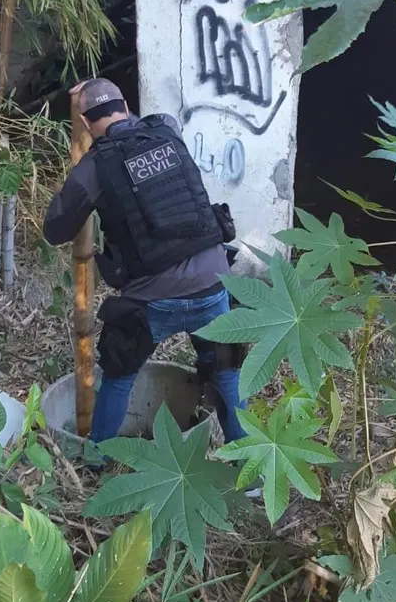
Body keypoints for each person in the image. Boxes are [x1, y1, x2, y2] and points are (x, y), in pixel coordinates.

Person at [43, 78, 247, 445]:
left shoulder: (94, 168)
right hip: (213, 283)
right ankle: (250, 462)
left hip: (152, 299)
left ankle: (98, 460)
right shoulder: (167, 128)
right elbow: (134, 131)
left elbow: (55, 230)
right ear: (125, 106)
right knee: (226, 371)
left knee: (119, 376)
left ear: (86, 123)